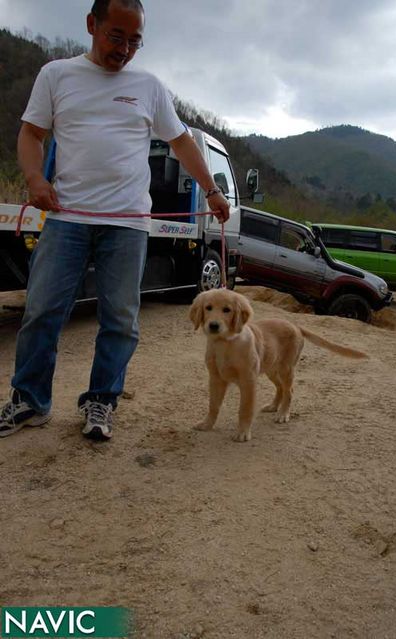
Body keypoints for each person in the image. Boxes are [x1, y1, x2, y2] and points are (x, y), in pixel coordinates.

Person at [0, 0, 230, 441]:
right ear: (92, 25)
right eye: (116, 37)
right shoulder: (56, 75)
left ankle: (101, 401)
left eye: (135, 41)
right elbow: (32, 133)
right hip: (67, 218)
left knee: (121, 319)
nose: (125, 49)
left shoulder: (149, 86)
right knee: (42, 310)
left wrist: (214, 191)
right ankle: (29, 400)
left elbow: (181, 142)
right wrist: (33, 177)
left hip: (128, 223)